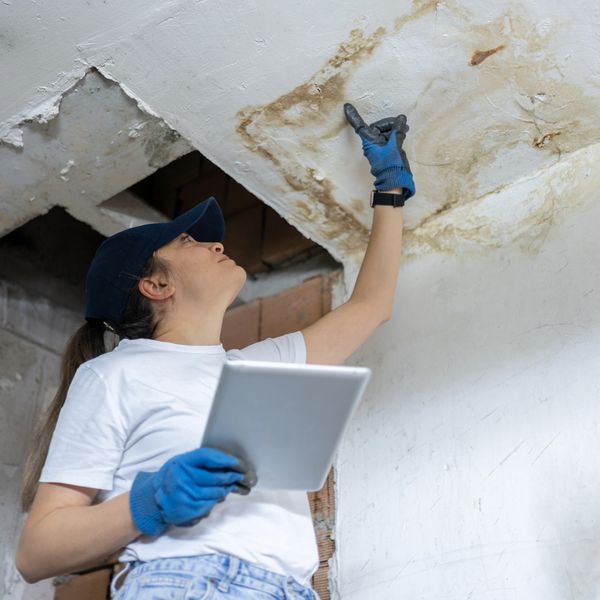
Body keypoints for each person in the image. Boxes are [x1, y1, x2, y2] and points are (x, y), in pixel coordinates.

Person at [15, 103, 416, 599]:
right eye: (189, 240)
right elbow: (37, 553)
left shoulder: (258, 369)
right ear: (156, 284)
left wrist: (389, 190)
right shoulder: (112, 374)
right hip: (183, 582)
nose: (216, 245)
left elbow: (372, 306)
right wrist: (152, 501)